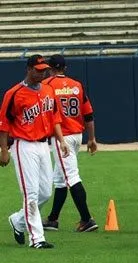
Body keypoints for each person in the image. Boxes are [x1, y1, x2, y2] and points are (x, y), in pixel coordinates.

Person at [0, 55, 69, 249]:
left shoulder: (48, 89)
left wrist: (62, 140)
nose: (42, 72)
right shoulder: (14, 93)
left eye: (44, 69)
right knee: (30, 193)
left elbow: (54, 116)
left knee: (45, 192)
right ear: (29, 69)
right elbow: (4, 125)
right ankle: (37, 239)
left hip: (43, 145)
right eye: (38, 69)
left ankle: (18, 220)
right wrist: (4, 150)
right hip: (24, 146)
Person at [41, 54, 98, 232]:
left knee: (71, 177)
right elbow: (88, 114)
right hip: (76, 135)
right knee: (60, 179)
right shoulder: (76, 85)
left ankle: (87, 219)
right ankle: (53, 219)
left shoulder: (47, 85)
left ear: (50, 68)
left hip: (61, 137)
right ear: (64, 68)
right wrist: (92, 138)